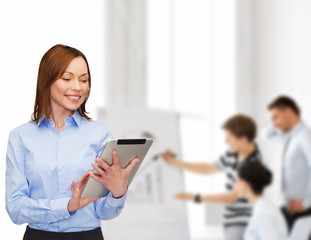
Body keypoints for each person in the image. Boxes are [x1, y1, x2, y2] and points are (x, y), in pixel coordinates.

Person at [5, 44, 139, 240]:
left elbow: (103, 211)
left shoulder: (99, 134)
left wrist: (118, 193)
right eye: (67, 78)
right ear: (46, 81)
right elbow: (15, 208)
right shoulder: (21, 137)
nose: (78, 87)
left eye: (84, 80)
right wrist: (67, 206)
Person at [163, 114, 262, 240]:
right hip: (231, 221)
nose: (225, 141)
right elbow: (209, 168)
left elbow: (232, 197)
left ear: (242, 139)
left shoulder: (253, 163)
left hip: (244, 223)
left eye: (229, 137)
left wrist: (195, 197)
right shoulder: (233, 153)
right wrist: (176, 162)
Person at [263, 95, 311, 232]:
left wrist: (307, 202)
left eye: (276, 117)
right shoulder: (290, 138)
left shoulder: (305, 136)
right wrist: (273, 120)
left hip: (302, 210)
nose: (273, 123)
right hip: (289, 209)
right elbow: (266, 135)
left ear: (289, 112)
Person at [236, 160, 288, 240]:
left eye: (236, 181)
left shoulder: (262, 213)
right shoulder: (265, 206)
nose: (235, 186)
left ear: (244, 184)